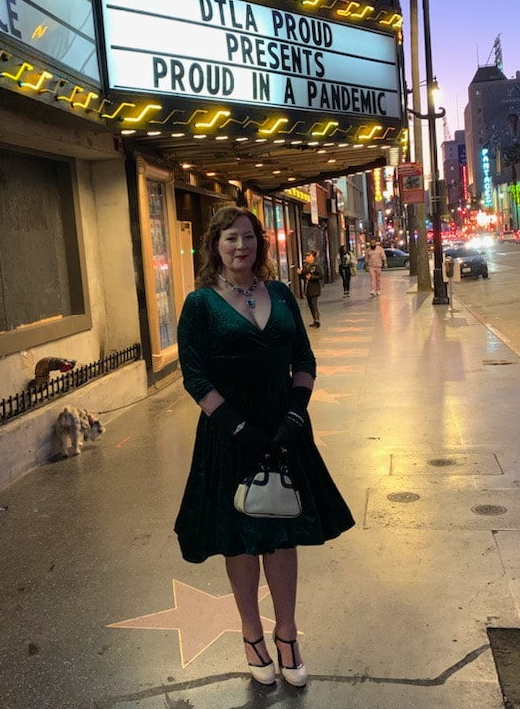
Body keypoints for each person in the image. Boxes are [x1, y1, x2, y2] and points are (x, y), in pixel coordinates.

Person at [175, 206, 355, 687]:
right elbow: (195, 377)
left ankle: (287, 633)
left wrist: (295, 414)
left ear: (260, 243)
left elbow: (304, 358)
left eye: (249, 237)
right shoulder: (199, 304)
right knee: (239, 536)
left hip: (283, 430)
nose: (241, 246)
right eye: (231, 238)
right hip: (229, 435)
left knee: (281, 528)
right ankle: (252, 634)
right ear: (215, 246)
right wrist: (241, 431)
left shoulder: (279, 293)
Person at [297, 250, 323, 327]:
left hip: (314, 288)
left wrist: (312, 277)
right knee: (310, 305)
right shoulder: (305, 266)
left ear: (313, 257)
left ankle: (317, 319)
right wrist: (300, 273)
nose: (307, 258)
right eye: (306, 257)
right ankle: (314, 319)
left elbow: (321, 276)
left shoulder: (316, 266)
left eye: (309, 256)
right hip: (307, 288)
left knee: (313, 303)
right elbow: (303, 277)